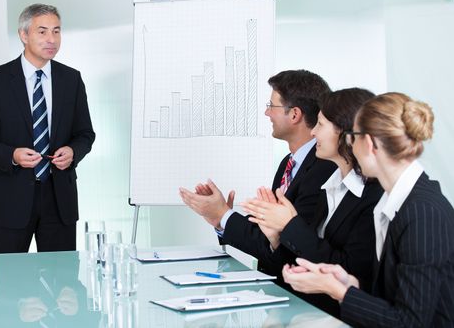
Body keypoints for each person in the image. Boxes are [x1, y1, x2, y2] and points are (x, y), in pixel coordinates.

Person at [282, 93, 454, 327]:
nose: (349, 144)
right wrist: (347, 283)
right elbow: (393, 296)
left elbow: (410, 322)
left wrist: (339, 292)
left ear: (370, 143)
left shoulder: (421, 212)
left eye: (353, 136)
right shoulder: (395, 202)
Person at [0, 4, 95, 253]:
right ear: (24, 35)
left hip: (60, 201)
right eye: (43, 31)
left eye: (57, 31)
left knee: (62, 285)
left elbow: (85, 134)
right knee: (10, 286)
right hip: (12, 201)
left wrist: (73, 151)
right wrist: (11, 155)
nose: (52, 40)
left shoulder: (71, 79)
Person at [241, 88, 383, 317]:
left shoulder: (373, 197)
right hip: (309, 312)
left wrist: (290, 225)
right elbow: (304, 262)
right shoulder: (332, 185)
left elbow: (348, 272)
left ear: (345, 132)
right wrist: (276, 237)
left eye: (321, 125)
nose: (313, 132)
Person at [179, 70, 336, 274]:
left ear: (295, 114)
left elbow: (290, 245)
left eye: (271, 106)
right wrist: (220, 219)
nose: (266, 113)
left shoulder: (323, 168)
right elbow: (269, 239)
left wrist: (223, 215)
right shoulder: (288, 164)